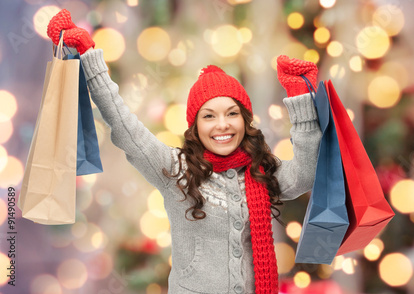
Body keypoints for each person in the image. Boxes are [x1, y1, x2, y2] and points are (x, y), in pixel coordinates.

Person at [47, 9, 322, 294]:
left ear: (245, 120)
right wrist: (90, 59)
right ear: (195, 126)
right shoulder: (176, 170)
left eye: (232, 113)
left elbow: (305, 174)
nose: (222, 125)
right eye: (209, 116)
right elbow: (124, 126)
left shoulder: (261, 170)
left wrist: (301, 99)